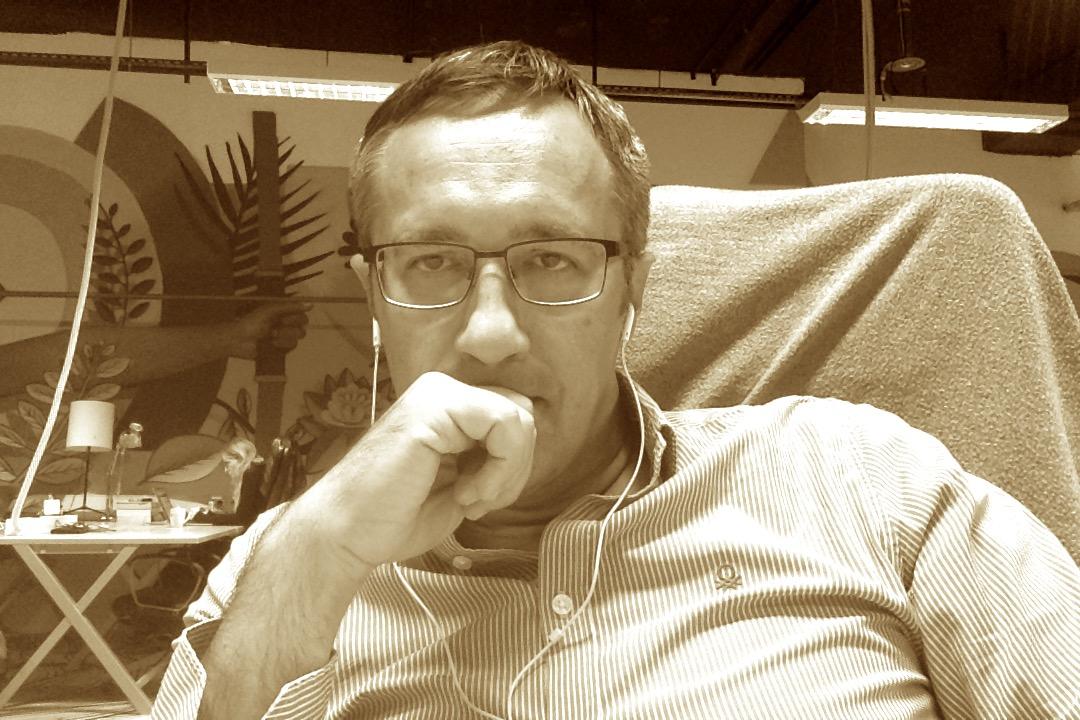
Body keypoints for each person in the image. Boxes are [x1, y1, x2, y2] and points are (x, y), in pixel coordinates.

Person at [151, 41, 1079, 720]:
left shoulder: (863, 480)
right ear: (374, 296)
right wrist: (314, 562)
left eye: (552, 259)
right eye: (430, 262)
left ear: (634, 285)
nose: (490, 333)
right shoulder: (291, 558)